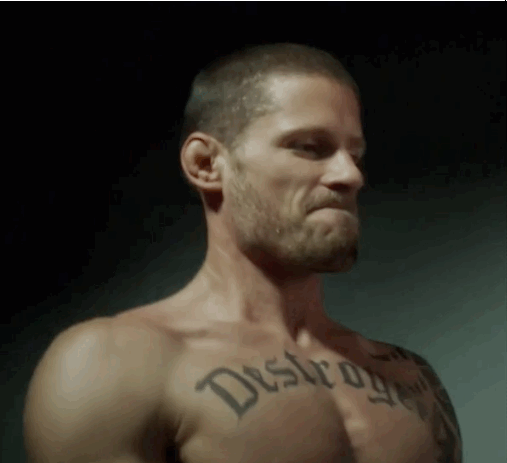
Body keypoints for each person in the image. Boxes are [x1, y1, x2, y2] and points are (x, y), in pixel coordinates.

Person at [23, 43, 462, 463]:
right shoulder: (115, 366)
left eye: (356, 154)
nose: (350, 175)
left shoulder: (410, 380)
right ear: (206, 164)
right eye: (310, 147)